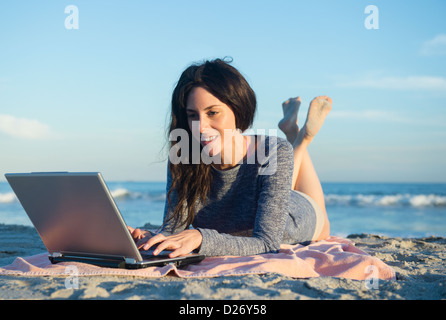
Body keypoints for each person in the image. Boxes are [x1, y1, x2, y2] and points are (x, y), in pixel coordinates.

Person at [128, 58, 332, 258]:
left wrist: (201, 238)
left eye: (213, 112)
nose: (201, 127)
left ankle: (301, 138)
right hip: (267, 176)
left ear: (237, 108)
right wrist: (151, 238)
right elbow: (174, 228)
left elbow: (267, 243)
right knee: (276, 160)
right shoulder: (184, 155)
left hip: (296, 215)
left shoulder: (273, 150)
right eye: (192, 116)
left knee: (318, 212)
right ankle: (293, 132)